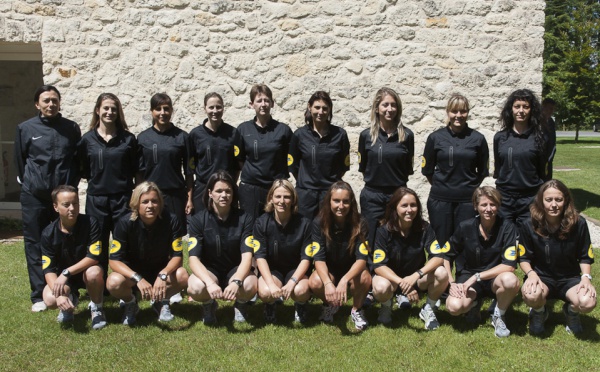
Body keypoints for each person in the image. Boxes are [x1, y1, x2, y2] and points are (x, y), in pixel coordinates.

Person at [14, 85, 81, 312]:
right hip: (35, 196)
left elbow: (76, 161)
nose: (51, 104)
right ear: (37, 104)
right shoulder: (25, 129)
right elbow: (21, 162)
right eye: (46, 101)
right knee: (34, 243)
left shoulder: (71, 128)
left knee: (67, 242)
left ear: (59, 103)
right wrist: (34, 184)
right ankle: (38, 295)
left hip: (63, 197)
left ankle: (71, 288)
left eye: (54, 100)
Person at [519, 179, 596, 336]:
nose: (553, 205)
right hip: (541, 277)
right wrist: (531, 274)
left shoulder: (578, 223)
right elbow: (523, 257)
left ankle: (571, 311)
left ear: (565, 200)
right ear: (541, 201)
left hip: (569, 279)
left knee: (588, 302)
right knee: (531, 294)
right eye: (549, 200)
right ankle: (540, 312)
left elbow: (585, 256)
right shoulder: (529, 224)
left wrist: (586, 278)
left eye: (558, 199)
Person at [106, 182, 189, 325]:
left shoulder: (172, 220)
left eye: (154, 201)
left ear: (160, 203)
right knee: (113, 282)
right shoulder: (124, 223)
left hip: (159, 271)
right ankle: (130, 302)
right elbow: (114, 260)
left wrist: (163, 274)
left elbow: (177, 256)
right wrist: (138, 278)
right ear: (136, 203)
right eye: (145, 201)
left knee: (182, 275)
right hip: (133, 274)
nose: (150, 206)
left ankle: (160, 301)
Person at [443, 186, 520, 338]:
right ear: (475, 206)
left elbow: (509, 265)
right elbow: (446, 256)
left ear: (498, 206)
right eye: (484, 205)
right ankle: (474, 304)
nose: (488, 209)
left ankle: (499, 315)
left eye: (493, 204)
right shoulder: (465, 226)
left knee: (511, 280)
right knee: (454, 307)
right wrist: (451, 283)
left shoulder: (508, 227)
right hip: (468, 277)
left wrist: (477, 277)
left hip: (494, 279)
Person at [371, 187, 448, 330]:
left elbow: (438, 257)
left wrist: (416, 275)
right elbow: (379, 266)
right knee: (381, 288)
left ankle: (429, 309)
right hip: (392, 281)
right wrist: (402, 282)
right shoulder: (383, 231)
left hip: (416, 279)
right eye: (404, 205)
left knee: (442, 273)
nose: (409, 209)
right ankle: (387, 306)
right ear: (395, 207)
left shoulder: (425, 228)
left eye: (413, 205)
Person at [187, 171, 257, 324]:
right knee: (195, 287)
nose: (224, 195)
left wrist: (236, 281)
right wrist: (210, 283)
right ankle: (208, 304)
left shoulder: (245, 218)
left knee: (250, 285)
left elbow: (247, 257)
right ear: (210, 193)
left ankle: (241, 304)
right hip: (211, 270)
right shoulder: (198, 220)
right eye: (219, 191)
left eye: (228, 191)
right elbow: (193, 259)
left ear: (233, 194)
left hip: (235, 269)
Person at [78, 93, 138, 270]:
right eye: (106, 108)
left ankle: (127, 284)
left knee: (124, 241)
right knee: (98, 243)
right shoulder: (87, 140)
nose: (109, 112)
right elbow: (84, 170)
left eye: (113, 109)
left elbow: (135, 170)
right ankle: (99, 285)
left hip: (123, 199)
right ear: (98, 110)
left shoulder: (128, 139)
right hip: (97, 199)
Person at [421, 93, 489, 247]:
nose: (458, 115)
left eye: (463, 111)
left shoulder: (478, 138)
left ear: (468, 112)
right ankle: (441, 272)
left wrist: (467, 187)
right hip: (440, 201)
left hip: (467, 202)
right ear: (448, 112)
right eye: (454, 111)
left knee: (466, 245)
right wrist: (444, 186)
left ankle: (463, 272)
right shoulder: (435, 138)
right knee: (441, 246)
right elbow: (428, 171)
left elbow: (482, 171)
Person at [308, 181, 371, 331]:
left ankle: (357, 309)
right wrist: (328, 283)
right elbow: (319, 258)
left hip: (352, 272)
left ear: (351, 203)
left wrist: (344, 280)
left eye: (345, 201)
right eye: (336, 201)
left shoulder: (361, 223)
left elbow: (362, 260)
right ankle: (331, 305)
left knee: (365, 277)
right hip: (330, 271)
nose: (341, 206)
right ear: (329, 201)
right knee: (316, 281)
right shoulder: (318, 223)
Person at [41, 185, 106, 329]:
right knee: (50, 299)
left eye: (75, 203)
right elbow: (48, 268)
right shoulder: (48, 233)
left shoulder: (91, 223)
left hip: (86, 272)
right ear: (55, 207)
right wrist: (59, 295)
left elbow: (94, 256)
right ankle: (69, 303)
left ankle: (97, 308)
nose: (72, 208)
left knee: (94, 272)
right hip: (65, 279)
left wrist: (66, 272)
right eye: (66, 205)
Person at [358, 87, 414, 246]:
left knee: (396, 236)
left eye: (394, 105)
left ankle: (393, 269)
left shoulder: (407, 135)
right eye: (385, 105)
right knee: (369, 236)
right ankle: (369, 268)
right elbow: (363, 167)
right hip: (372, 195)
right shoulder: (366, 135)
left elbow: (408, 168)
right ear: (377, 108)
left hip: (397, 194)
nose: (390, 109)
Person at [254, 179, 313, 323]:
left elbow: (306, 257)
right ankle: (270, 304)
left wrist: (293, 281)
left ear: (293, 200)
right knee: (266, 291)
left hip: (296, 270)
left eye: (287, 197)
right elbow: (260, 257)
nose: (282, 201)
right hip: (273, 271)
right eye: (278, 196)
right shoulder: (261, 223)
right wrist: (271, 284)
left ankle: (301, 304)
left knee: (301, 291)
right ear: (271, 199)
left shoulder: (304, 224)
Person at [289, 91, 350, 219]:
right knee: (305, 233)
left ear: (329, 110)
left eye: (324, 108)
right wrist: (306, 180)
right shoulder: (299, 135)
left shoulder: (340, 135)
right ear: (309, 107)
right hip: (305, 195)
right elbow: (293, 166)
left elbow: (343, 167)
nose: (320, 112)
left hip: (330, 195)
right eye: (317, 107)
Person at [137, 93, 193, 230]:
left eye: (166, 109)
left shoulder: (182, 137)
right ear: (151, 111)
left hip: (175, 196)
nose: (163, 113)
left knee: (175, 237)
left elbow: (189, 172)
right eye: (158, 109)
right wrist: (138, 197)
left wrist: (189, 199)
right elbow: (139, 172)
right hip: (151, 196)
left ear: (171, 111)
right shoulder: (143, 138)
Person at [236, 84, 293, 221]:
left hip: (275, 189)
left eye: (267, 100)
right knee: (250, 228)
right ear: (251, 104)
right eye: (259, 100)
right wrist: (254, 172)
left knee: (275, 227)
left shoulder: (283, 130)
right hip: (251, 189)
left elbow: (291, 159)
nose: (263, 104)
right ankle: (182, 244)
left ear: (272, 103)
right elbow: (239, 159)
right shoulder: (243, 130)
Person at [494, 89, 549, 225]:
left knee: (529, 239)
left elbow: (543, 171)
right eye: (517, 106)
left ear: (532, 110)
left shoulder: (540, 138)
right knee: (505, 239)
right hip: (505, 198)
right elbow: (499, 168)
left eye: (526, 107)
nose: (521, 111)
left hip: (530, 198)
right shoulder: (500, 138)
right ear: (511, 109)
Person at [188, 92, 241, 212]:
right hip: (202, 189)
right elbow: (190, 168)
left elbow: (237, 166)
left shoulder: (233, 133)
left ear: (223, 108)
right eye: (211, 107)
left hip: (225, 191)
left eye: (218, 107)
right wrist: (190, 198)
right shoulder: (195, 135)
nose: (215, 111)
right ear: (205, 108)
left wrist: (230, 185)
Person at [541, 98, 557, 179]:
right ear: (543, 107)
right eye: (550, 108)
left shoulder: (551, 122)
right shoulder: (538, 122)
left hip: (549, 158)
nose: (551, 111)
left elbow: (553, 141)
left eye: (553, 109)